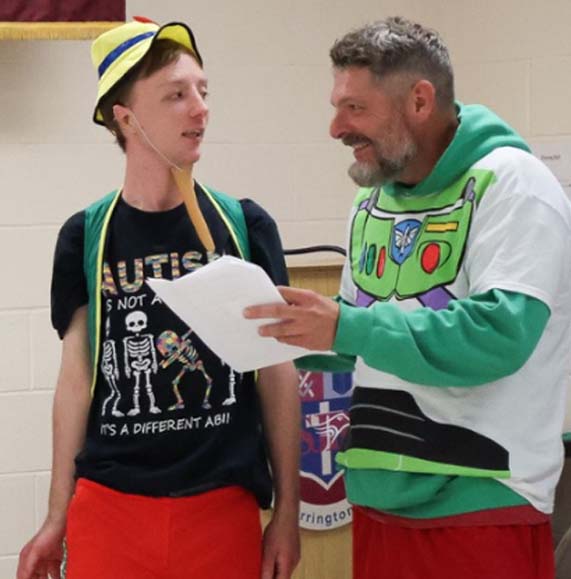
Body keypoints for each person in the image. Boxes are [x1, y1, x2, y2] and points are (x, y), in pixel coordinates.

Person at [245, 16, 571, 579]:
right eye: (337, 107)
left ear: (419, 101)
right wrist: (277, 335)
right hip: (377, 497)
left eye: (355, 108)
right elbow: (362, 342)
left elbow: (500, 334)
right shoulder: (370, 203)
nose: (336, 128)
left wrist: (344, 327)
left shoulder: (513, 183)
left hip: (480, 501)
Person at [17, 17, 300, 579]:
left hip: (221, 505)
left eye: (203, 91)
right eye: (176, 95)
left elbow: (277, 373)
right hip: (110, 506)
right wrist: (56, 515)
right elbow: (76, 378)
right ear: (125, 117)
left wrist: (289, 510)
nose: (200, 109)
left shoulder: (244, 226)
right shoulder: (86, 235)